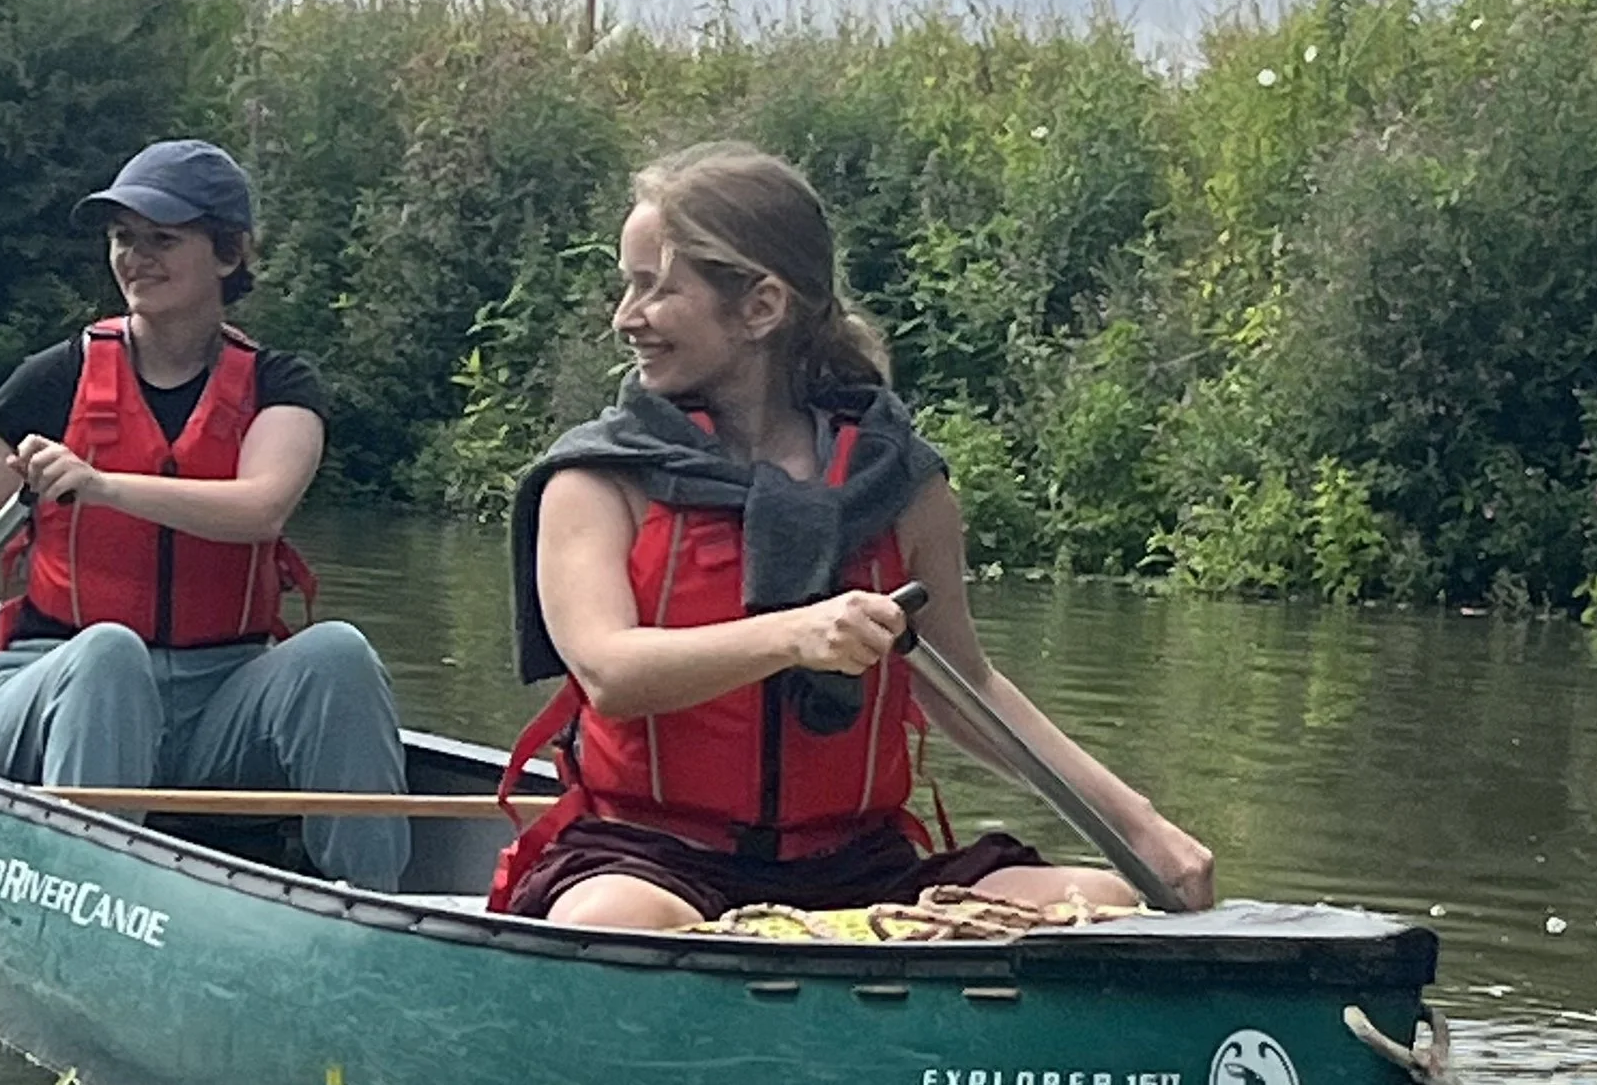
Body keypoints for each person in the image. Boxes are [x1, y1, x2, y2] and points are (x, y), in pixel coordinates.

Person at [491, 142, 1211, 928]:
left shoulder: (901, 483)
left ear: (761, 307)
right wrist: (795, 634)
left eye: (654, 289)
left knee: (1100, 905)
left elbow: (965, 687)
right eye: (629, 287)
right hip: (649, 855)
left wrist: (1140, 827)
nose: (625, 318)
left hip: (859, 864)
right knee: (610, 920)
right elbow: (608, 670)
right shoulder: (597, 478)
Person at [0, 137, 411, 890]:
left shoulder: (280, 384)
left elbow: (261, 509)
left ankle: (377, 911)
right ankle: (88, 899)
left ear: (228, 252)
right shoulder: (53, 382)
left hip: (219, 700)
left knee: (338, 653)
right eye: (122, 237)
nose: (135, 257)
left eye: (162, 238)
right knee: (108, 654)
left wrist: (105, 484)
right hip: (46, 682)